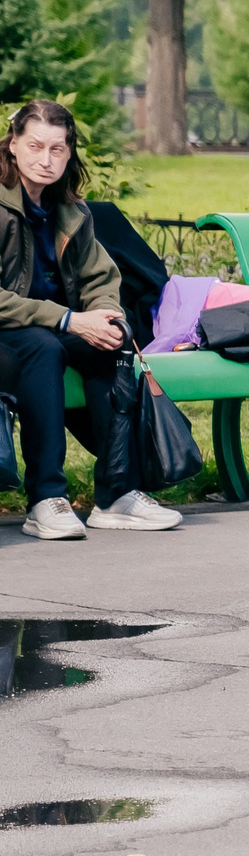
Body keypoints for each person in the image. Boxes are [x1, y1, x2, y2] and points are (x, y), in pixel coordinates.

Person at [0, 101, 180, 539]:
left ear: (69, 152)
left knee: (111, 344)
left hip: (55, 327)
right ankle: (46, 499)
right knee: (42, 348)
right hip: (12, 332)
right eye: (35, 146)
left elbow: (100, 277)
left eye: (57, 149)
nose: (46, 159)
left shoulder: (70, 210)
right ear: (13, 145)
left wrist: (105, 316)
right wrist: (68, 320)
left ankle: (117, 494)